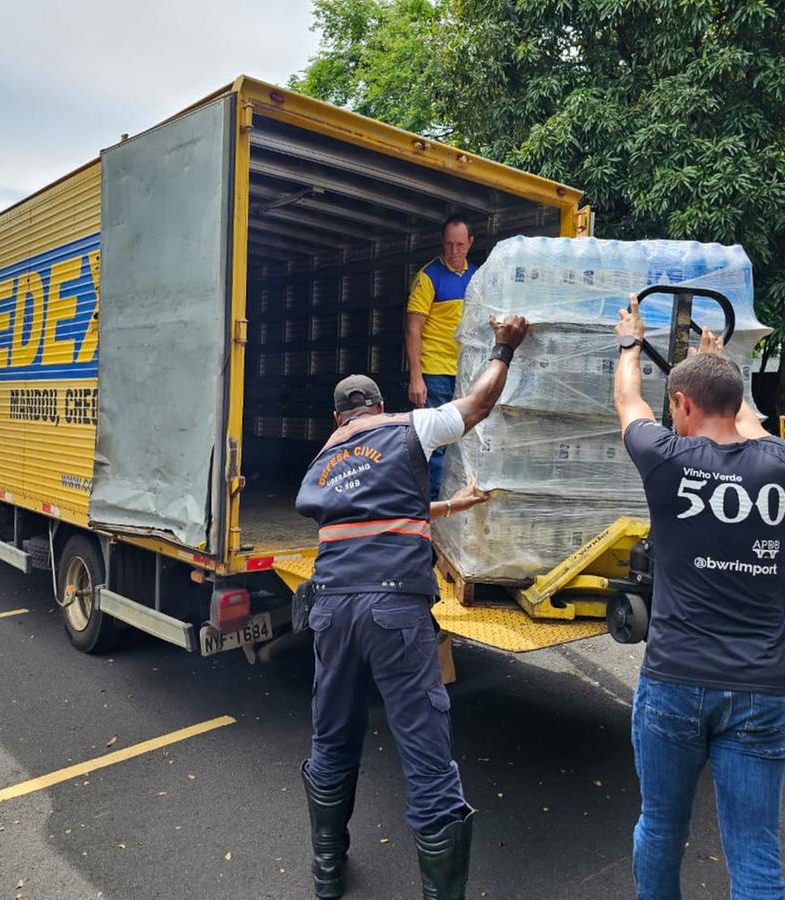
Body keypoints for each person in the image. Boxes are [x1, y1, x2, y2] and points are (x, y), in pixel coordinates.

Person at [296, 314, 529, 900]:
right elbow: (475, 405)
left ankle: (327, 875)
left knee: (332, 738)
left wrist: (452, 505)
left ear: (338, 418)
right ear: (380, 406)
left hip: (330, 612)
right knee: (425, 751)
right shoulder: (408, 428)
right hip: (395, 614)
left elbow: (383, 512)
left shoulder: (324, 461)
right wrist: (504, 346)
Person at [613, 295, 785, 900]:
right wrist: (720, 370)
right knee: (756, 852)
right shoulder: (784, 465)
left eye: (678, 407)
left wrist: (628, 344)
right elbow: (746, 424)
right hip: (761, 687)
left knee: (662, 826)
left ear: (683, 403)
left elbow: (627, 402)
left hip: (675, 682)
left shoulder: (668, 461)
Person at [405, 214, 478, 500]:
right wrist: (416, 377)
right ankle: (434, 506)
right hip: (435, 371)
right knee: (436, 441)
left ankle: (460, 502)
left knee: (466, 439)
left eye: (460, 245)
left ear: (470, 243)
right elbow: (413, 328)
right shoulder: (428, 277)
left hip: (467, 373)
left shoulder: (478, 278)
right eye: (449, 244)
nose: (454, 251)